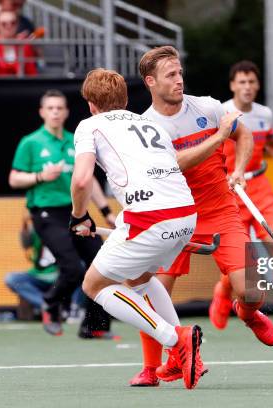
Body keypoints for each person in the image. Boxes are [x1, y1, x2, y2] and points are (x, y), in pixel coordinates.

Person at [129, 46, 273, 387]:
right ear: (150, 82)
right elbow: (175, 165)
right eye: (170, 75)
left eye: (180, 72)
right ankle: (152, 369)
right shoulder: (146, 127)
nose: (179, 80)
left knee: (252, 290)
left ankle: (247, 312)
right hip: (174, 218)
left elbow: (244, 136)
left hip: (220, 211)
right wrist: (218, 138)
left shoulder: (209, 107)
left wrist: (239, 168)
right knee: (149, 293)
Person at [70, 68, 204, 389]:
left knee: (94, 285)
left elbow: (81, 180)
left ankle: (176, 339)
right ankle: (188, 359)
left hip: (150, 217)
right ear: (126, 99)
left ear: (91, 103)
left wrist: (79, 216)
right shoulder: (148, 122)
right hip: (185, 214)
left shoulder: (89, 125)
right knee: (140, 277)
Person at [208, 60, 273, 342]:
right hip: (231, 192)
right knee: (237, 258)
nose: (247, 87)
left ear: (257, 85)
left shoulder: (265, 114)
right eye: (241, 82)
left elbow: (272, 145)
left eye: (251, 82)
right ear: (232, 86)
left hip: (260, 188)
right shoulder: (221, 112)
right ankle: (223, 290)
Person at [9, 89, 114, 339]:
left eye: (60, 108)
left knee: (103, 265)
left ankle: (93, 326)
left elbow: (89, 180)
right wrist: (39, 177)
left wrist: (107, 211)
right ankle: (50, 302)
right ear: (42, 112)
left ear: (66, 112)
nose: (55, 112)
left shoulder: (75, 140)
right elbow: (14, 178)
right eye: (50, 108)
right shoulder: (31, 142)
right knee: (72, 269)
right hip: (46, 213)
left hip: (76, 211)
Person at [5, 214, 58, 314]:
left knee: (82, 271)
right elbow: (25, 244)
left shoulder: (64, 226)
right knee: (12, 279)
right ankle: (46, 305)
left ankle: (74, 309)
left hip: (62, 275)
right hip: (39, 274)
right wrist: (24, 224)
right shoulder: (35, 227)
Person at [0, 10, 37, 76]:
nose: (9, 26)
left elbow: (31, 73)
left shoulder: (24, 44)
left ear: (18, 24)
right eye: (4, 24)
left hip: (20, 85)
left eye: (13, 23)